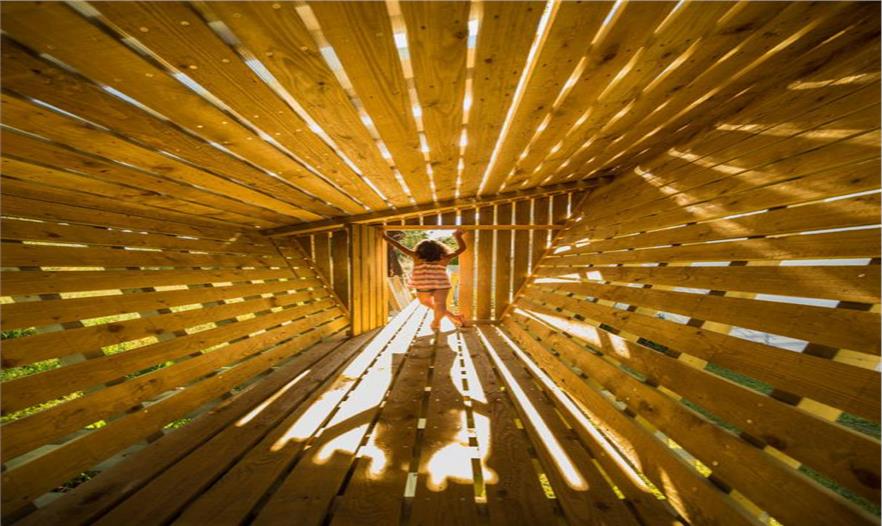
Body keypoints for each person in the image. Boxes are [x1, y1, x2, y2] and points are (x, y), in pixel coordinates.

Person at [383, 229, 468, 330]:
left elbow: (398, 245)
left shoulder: (416, 256)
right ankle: (438, 321)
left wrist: (385, 237)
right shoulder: (445, 257)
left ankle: (449, 318)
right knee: (440, 304)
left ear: (420, 249)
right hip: (441, 284)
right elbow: (462, 248)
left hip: (423, 285)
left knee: (426, 302)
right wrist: (457, 236)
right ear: (441, 249)